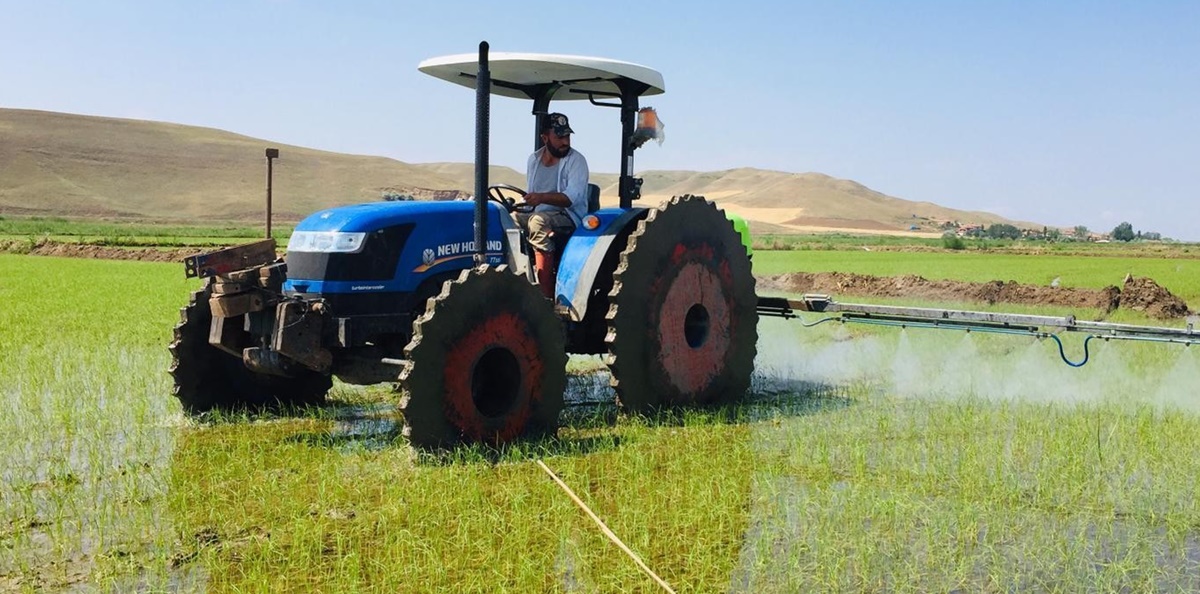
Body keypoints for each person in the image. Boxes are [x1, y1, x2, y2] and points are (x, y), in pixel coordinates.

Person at [519, 112, 589, 300]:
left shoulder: (576, 161)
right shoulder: (533, 160)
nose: (565, 141)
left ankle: (546, 297)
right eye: (559, 137)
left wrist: (541, 197)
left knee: (538, 223)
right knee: (504, 218)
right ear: (545, 138)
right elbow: (531, 194)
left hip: (568, 217)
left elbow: (570, 198)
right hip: (537, 212)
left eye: (567, 136)